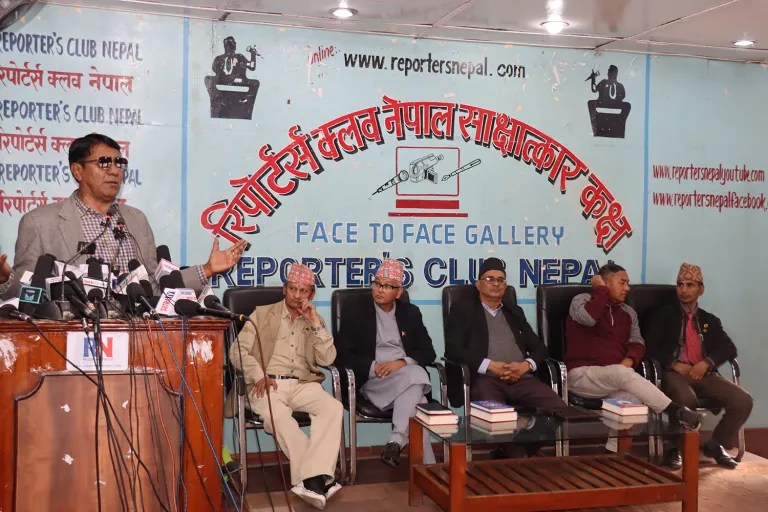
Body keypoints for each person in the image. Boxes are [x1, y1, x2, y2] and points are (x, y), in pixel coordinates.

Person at [0, 133, 247, 299]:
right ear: (78, 171)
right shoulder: (40, 223)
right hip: (69, 340)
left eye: (119, 164)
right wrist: (4, 279)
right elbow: (26, 292)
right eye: (104, 163)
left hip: (138, 337)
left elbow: (157, 284)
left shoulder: (136, 221)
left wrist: (208, 269)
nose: (114, 171)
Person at [229, 263, 343, 510]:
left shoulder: (314, 320)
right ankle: (317, 478)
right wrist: (258, 375)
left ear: (311, 294)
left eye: (303, 291)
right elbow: (237, 351)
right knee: (279, 417)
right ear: (284, 289)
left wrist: (316, 323)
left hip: (303, 384)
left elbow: (327, 359)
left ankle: (310, 479)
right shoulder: (262, 315)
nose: (297, 295)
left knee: (333, 408)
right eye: (293, 289)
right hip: (267, 384)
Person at [565, 263, 702, 432]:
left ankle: (613, 448)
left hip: (617, 377)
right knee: (621, 374)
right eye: (622, 283)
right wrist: (601, 291)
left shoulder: (628, 312)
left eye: (627, 283)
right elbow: (589, 319)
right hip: (582, 376)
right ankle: (674, 410)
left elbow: (638, 342)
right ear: (605, 283)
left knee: (633, 404)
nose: (627, 288)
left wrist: (629, 361)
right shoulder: (581, 300)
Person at [645, 263, 752, 469]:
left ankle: (716, 444)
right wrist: (674, 364)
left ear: (700, 289)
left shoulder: (709, 320)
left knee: (743, 400)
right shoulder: (663, 315)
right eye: (680, 285)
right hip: (673, 373)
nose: (683, 290)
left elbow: (728, 348)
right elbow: (649, 346)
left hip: (704, 374)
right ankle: (674, 448)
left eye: (690, 285)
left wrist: (707, 363)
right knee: (686, 400)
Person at [335, 259, 437, 468]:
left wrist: (401, 362)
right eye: (377, 283)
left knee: (416, 392)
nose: (380, 289)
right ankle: (427, 468)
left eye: (387, 286)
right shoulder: (355, 311)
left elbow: (428, 351)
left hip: (404, 376)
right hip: (373, 380)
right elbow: (341, 354)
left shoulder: (411, 313)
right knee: (418, 387)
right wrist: (372, 367)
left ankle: (397, 444)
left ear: (399, 292)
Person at [445, 257, 567, 417]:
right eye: (490, 279)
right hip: (485, 379)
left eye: (500, 280)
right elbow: (453, 350)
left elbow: (539, 348)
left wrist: (526, 365)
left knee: (560, 410)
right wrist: (490, 365)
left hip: (521, 378)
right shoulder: (463, 310)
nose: (496, 284)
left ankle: (526, 431)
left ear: (505, 285)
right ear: (478, 284)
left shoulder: (514, 311)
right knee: (495, 419)